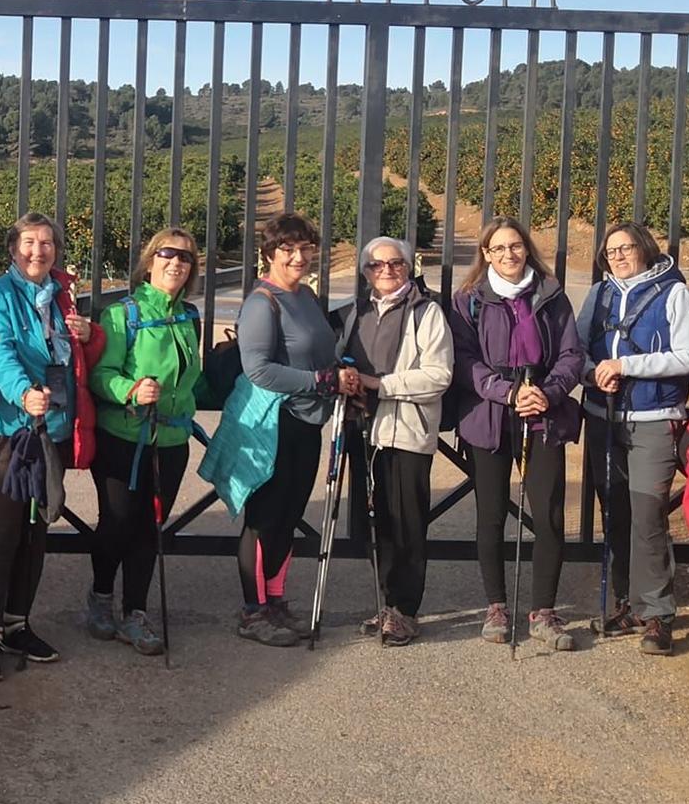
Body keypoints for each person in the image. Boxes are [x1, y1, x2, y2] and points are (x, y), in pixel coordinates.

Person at [0, 213, 103, 681]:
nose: (37, 251)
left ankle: (18, 622)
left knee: (36, 532)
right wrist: (22, 391)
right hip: (9, 426)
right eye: (29, 242)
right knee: (4, 530)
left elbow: (81, 358)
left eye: (47, 243)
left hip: (54, 429)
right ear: (12, 248)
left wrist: (89, 335)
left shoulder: (63, 296)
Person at [448, 216, 587, 651]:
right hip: (489, 414)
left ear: (527, 249)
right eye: (499, 248)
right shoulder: (467, 300)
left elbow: (571, 354)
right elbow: (465, 361)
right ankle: (496, 606)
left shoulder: (551, 295)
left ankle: (543, 611)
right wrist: (508, 393)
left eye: (516, 246)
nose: (509, 254)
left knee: (546, 514)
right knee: (490, 513)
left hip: (543, 411)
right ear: (485, 254)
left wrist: (545, 393)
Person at [578, 222, 689, 655]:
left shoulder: (674, 293)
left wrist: (628, 366)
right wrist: (592, 373)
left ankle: (658, 614)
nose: (620, 256)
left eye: (627, 248)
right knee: (616, 513)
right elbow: (577, 352)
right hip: (602, 418)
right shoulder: (599, 294)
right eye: (612, 252)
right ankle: (628, 602)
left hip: (653, 418)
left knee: (648, 517)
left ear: (645, 249)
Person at [87, 227, 205, 656]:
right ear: (149, 260)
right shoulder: (122, 315)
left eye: (186, 257)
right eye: (167, 254)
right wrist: (131, 390)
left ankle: (135, 612)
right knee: (117, 523)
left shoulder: (190, 317)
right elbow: (100, 375)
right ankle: (101, 597)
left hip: (171, 439)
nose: (176, 263)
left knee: (148, 529)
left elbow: (193, 380)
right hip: (123, 438)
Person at [333, 236, 453, 647]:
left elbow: (439, 376)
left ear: (409, 266)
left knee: (406, 522)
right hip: (364, 430)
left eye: (395, 264)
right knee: (379, 520)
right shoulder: (354, 314)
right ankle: (387, 603)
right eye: (377, 265)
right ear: (366, 272)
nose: (386, 271)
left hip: (406, 430)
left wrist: (378, 384)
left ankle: (405, 609)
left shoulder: (427, 312)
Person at [231, 214, 338, 648]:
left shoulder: (306, 296)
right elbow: (257, 369)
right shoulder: (262, 303)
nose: (298, 257)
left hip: (306, 423)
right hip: (275, 426)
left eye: (305, 248)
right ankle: (253, 611)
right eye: (288, 249)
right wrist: (319, 382)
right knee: (264, 518)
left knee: (289, 514)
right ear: (269, 254)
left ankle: (275, 602)